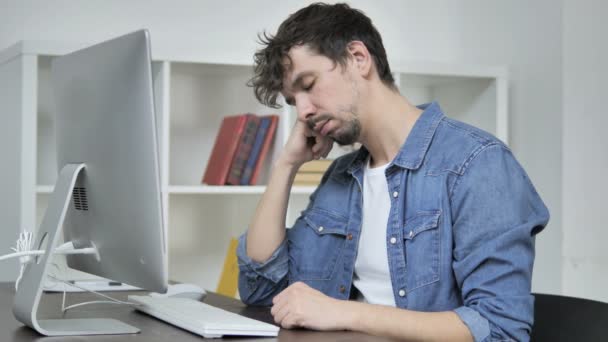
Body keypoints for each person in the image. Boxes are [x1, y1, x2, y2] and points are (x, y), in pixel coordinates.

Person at [236, 3, 549, 341]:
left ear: (358, 58)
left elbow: (500, 329)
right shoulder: (341, 177)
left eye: (308, 84)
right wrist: (285, 166)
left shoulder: (477, 163)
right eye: (294, 101)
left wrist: (341, 312)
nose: (305, 112)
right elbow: (261, 289)